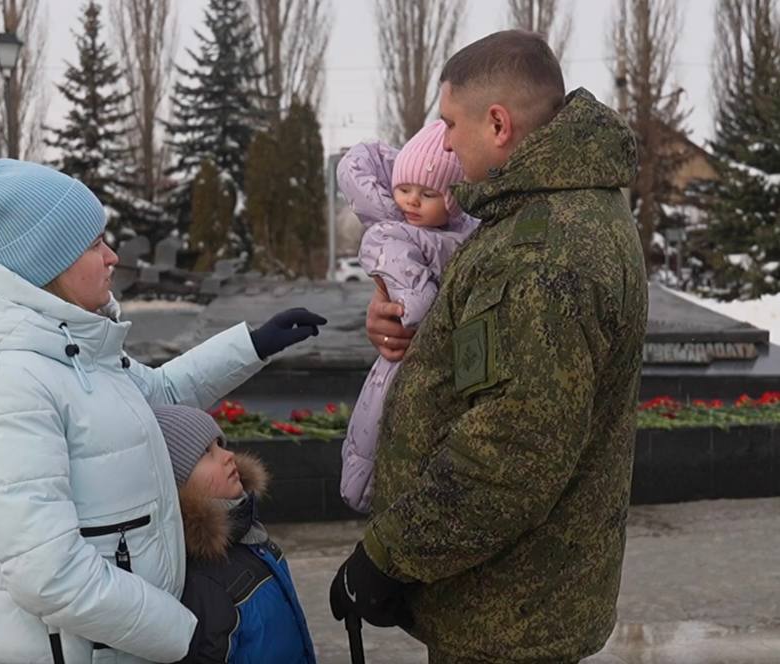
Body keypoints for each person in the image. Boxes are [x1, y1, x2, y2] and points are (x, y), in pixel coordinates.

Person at [0, 158, 326, 664]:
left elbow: (159, 392)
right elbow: (49, 574)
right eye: (94, 245)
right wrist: (182, 633)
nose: (112, 256)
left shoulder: (71, 346)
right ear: (48, 263)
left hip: (118, 645)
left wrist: (253, 345)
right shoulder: (2, 382)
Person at [328, 30, 648, 663]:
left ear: (498, 124)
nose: (443, 141)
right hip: (511, 600)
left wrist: (388, 558)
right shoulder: (547, 215)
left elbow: (510, 450)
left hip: (506, 617)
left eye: (449, 123)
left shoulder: (545, 250)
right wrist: (403, 327)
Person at [337, 120, 478, 513]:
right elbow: (410, 296)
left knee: (378, 418)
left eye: (427, 193)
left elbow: (415, 299)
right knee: (376, 418)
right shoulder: (395, 232)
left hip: (420, 361)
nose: (411, 202)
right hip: (411, 351)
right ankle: (361, 488)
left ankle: (362, 488)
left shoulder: (422, 234)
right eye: (403, 189)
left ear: (451, 200)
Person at [152, 405, 316, 664]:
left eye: (220, 444)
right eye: (207, 453)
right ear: (176, 482)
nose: (227, 455)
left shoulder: (248, 536)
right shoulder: (202, 582)